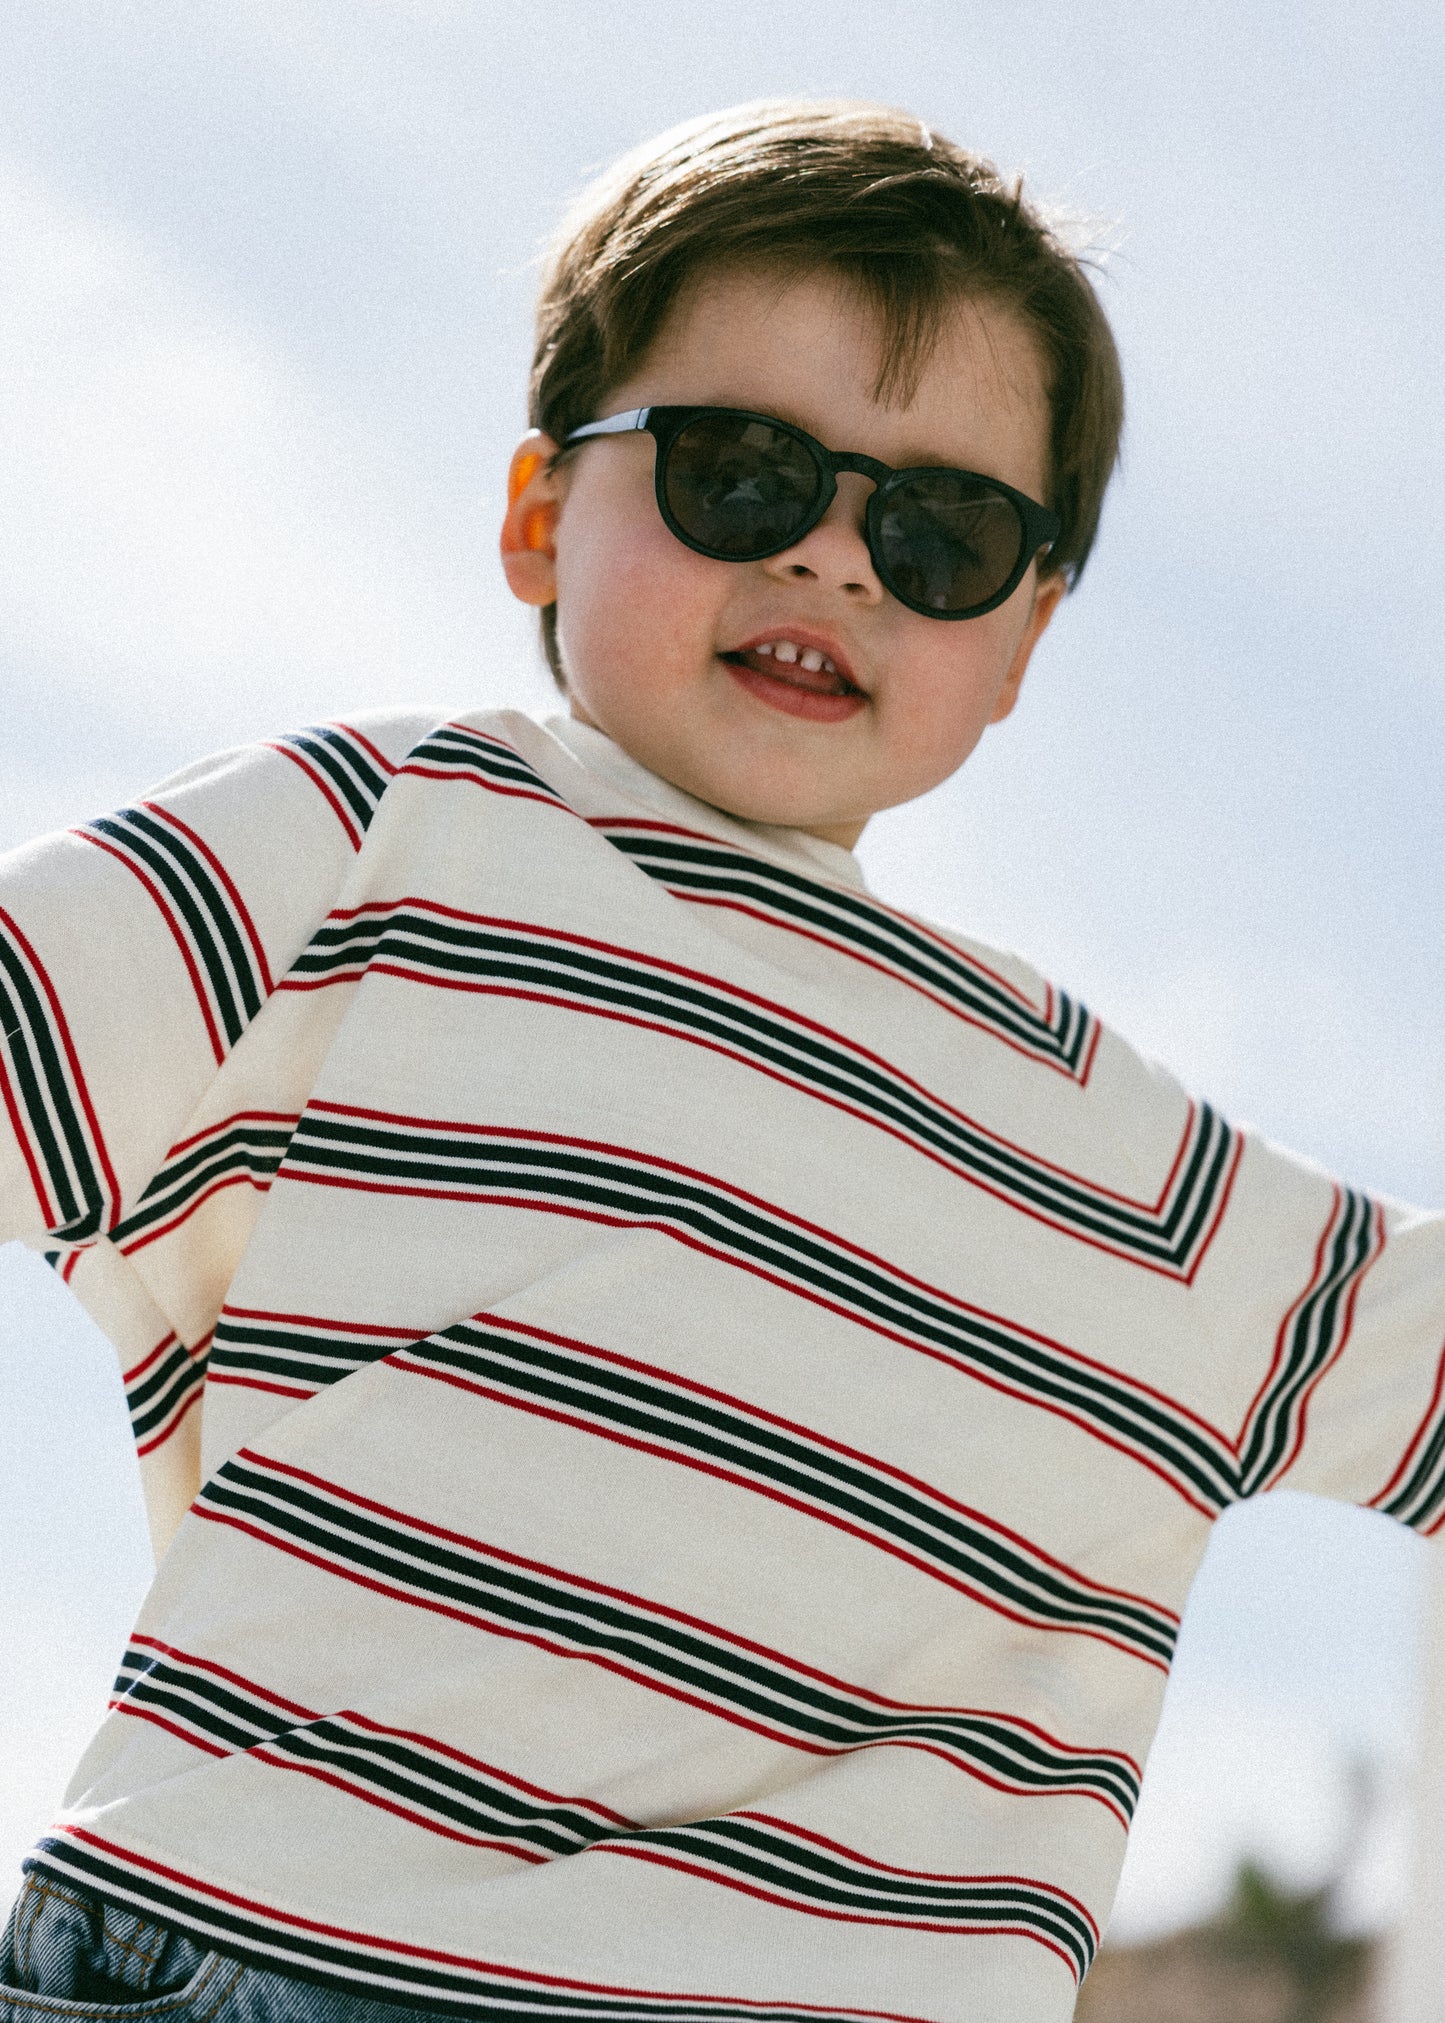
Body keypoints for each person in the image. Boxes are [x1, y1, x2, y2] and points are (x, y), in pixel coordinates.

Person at [1, 98, 1441, 2023]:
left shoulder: (1129, 1163)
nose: (839, 559)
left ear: (1020, 638)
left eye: (942, 529)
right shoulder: (379, 846)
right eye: (742, 474)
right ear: (541, 514)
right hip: (277, 1954)